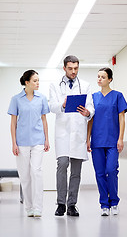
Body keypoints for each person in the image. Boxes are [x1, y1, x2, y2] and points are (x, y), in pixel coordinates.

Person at [49, 55, 95, 217]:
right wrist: (61, 105)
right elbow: (51, 106)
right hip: (62, 132)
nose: (73, 71)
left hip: (78, 133)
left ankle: (72, 205)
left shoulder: (86, 85)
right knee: (62, 166)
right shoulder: (55, 85)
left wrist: (88, 112)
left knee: (76, 171)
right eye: (70, 68)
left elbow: (90, 106)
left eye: (76, 68)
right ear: (64, 68)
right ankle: (60, 203)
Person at [87, 67, 127, 216]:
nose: (99, 79)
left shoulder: (118, 96)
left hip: (112, 140)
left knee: (111, 171)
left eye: (103, 77)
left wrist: (121, 138)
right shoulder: (93, 97)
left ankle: (114, 202)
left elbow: (122, 118)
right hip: (97, 140)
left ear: (110, 79)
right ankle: (104, 204)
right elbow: (90, 119)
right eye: (98, 76)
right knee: (99, 173)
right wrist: (88, 139)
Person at [8, 70, 50, 218]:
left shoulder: (42, 98)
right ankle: (29, 207)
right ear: (27, 83)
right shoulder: (16, 99)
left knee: (36, 172)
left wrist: (46, 139)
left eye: (38, 80)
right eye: (35, 81)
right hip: (22, 142)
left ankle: (38, 207)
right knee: (25, 176)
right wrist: (14, 143)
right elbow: (13, 123)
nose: (38, 83)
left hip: (38, 141)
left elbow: (44, 119)